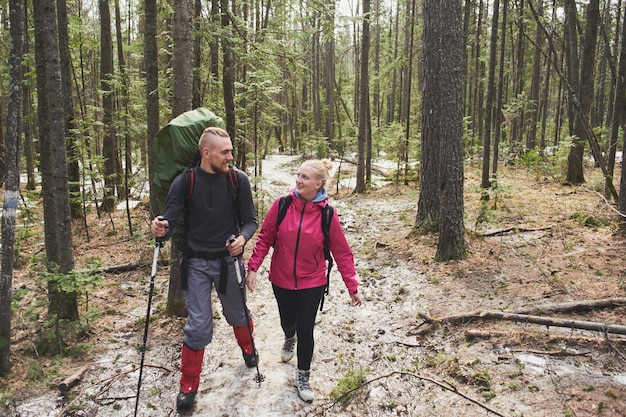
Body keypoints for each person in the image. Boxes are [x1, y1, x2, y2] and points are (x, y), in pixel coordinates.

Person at [150, 126, 258, 411]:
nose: (231, 157)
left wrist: (242, 239)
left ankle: (249, 348)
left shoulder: (239, 180)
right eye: (225, 152)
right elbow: (168, 221)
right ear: (206, 153)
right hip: (196, 263)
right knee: (198, 326)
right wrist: (159, 227)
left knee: (237, 313)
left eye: (231, 151)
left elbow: (250, 220)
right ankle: (188, 386)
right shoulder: (184, 182)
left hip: (227, 262)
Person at [246, 158, 362, 403]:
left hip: (312, 281)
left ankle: (303, 375)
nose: (299, 180)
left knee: (306, 329)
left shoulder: (327, 214)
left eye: (305, 177)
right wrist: (254, 267)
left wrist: (352, 286)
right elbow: (265, 237)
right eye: (298, 175)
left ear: (319, 184)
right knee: (288, 322)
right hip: (281, 278)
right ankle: (289, 336)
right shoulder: (282, 205)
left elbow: (342, 251)